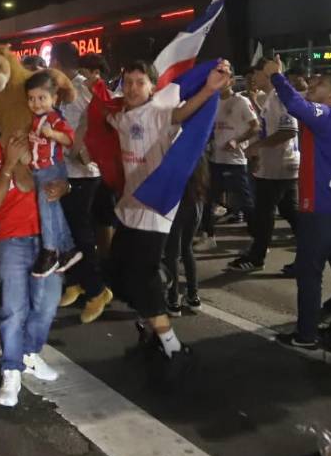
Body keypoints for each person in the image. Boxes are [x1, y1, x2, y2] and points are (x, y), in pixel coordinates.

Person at [106, 59, 229, 376]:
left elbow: (182, 113)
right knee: (116, 273)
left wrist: (209, 88)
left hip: (155, 209)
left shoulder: (157, 113)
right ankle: (153, 322)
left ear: (152, 87)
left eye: (140, 82)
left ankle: (173, 346)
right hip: (130, 208)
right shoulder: (121, 117)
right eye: (128, 82)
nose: (133, 88)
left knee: (140, 278)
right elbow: (101, 117)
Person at [0, 90, 69, 407]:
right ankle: (11, 369)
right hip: (11, 238)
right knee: (14, 308)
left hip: (48, 236)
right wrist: (8, 164)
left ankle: (30, 352)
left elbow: (52, 173)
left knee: (48, 302)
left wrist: (64, 184)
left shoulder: (26, 136)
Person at [262, 57, 331, 350]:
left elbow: (296, 106)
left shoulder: (328, 115)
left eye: (320, 84)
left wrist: (277, 77)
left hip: (320, 210)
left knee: (309, 275)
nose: (311, 85)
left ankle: (306, 335)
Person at [49, 40, 114, 323]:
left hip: (83, 174)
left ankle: (98, 290)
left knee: (81, 233)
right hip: (65, 171)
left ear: (57, 64)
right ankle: (76, 282)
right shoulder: (64, 91)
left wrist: (80, 148)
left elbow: (97, 123)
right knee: (68, 232)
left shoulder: (82, 91)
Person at [229, 62, 299, 272]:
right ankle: (310, 252)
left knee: (264, 213)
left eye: (257, 73)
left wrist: (257, 146)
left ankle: (257, 257)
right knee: (289, 212)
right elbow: (271, 125)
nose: (253, 78)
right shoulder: (270, 97)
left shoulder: (280, 98)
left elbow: (288, 131)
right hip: (275, 165)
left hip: (279, 166)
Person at [24, 70, 83, 277]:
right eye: (31, 98)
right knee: (52, 211)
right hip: (40, 170)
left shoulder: (54, 117)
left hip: (51, 169)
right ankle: (68, 249)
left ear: (54, 98)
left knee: (46, 210)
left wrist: (53, 134)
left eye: (42, 98)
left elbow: (70, 139)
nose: (36, 103)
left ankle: (50, 251)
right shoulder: (33, 118)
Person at [197, 64, 259, 249]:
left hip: (235, 161)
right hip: (216, 159)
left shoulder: (240, 101)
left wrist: (237, 141)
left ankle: (258, 240)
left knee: (245, 201)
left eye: (225, 79)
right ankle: (209, 237)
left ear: (231, 81)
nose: (221, 83)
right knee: (208, 200)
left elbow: (255, 126)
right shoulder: (212, 103)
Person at [163, 155, 208, 313]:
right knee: (186, 249)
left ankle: (173, 299)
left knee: (173, 253)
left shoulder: (175, 150)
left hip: (178, 203)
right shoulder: (198, 151)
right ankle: (193, 296)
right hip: (196, 202)